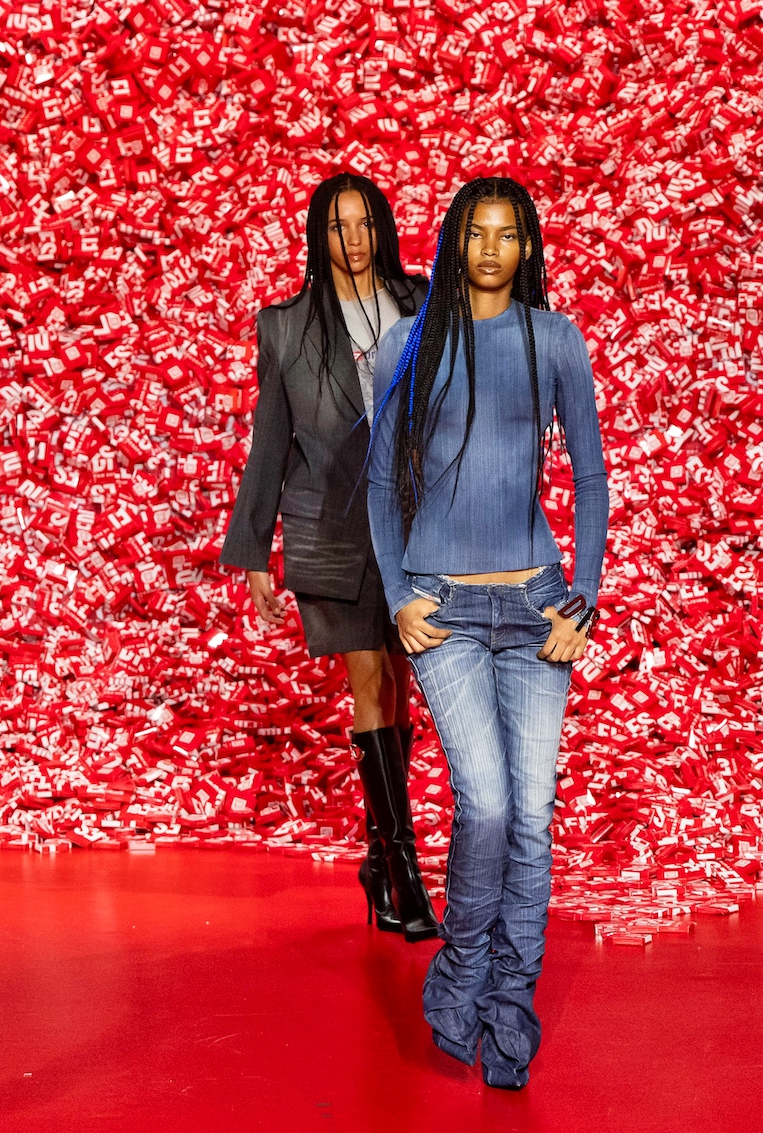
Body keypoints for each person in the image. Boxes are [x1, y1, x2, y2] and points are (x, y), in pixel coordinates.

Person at [368, 177, 607, 1089]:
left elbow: (589, 475)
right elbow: (384, 483)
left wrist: (579, 599)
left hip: (538, 604)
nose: (495, 248)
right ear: (454, 243)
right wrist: (398, 599)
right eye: (479, 232)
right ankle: (463, 966)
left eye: (511, 234)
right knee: (491, 803)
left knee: (534, 816)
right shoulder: (409, 342)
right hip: (447, 612)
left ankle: (513, 1001)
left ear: (528, 246)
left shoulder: (556, 340)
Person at [221, 173, 436, 940]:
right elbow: (270, 442)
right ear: (318, 236)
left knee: (402, 685)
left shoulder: (421, 305)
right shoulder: (285, 326)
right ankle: (404, 868)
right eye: (337, 225)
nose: (352, 238)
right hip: (330, 529)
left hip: (414, 529)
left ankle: (380, 857)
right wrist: (254, 554)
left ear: (382, 228)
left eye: (364, 223)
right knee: (370, 680)